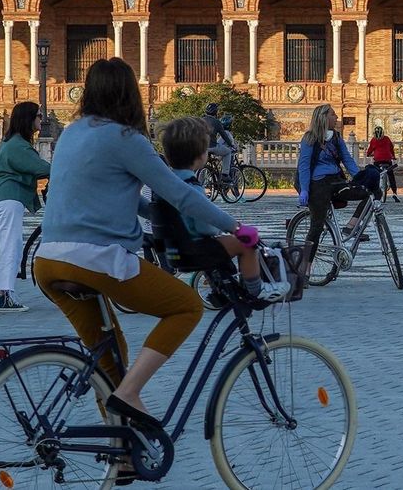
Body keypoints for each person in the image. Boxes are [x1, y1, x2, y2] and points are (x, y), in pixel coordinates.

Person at [34, 58, 246, 430]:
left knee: (109, 360)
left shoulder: (71, 132)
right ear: (129, 93)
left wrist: (154, 216)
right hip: (94, 258)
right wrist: (235, 225)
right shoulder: (126, 139)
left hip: (48, 260)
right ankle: (129, 395)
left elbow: (125, 198)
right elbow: (180, 193)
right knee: (186, 306)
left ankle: (125, 450)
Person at [160, 117, 289, 301]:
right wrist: (222, 229)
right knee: (246, 245)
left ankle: (219, 291)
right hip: (193, 249)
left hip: (173, 249)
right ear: (201, 155)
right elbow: (204, 226)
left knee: (221, 246)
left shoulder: (166, 182)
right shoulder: (191, 186)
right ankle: (257, 290)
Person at [0, 101, 50, 312]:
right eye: (38, 116)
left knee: (10, 245)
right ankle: (4, 296)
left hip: (4, 199)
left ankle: (4, 291)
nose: (42, 120)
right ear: (28, 119)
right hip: (8, 199)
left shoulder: (15, 142)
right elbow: (39, 167)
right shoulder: (17, 146)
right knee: (11, 246)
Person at [297, 104, 364, 258]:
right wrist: (305, 189)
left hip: (336, 181)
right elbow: (304, 166)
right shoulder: (309, 138)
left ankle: (351, 226)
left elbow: (347, 159)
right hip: (318, 184)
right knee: (317, 226)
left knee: (371, 192)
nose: (336, 118)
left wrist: (359, 177)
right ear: (323, 118)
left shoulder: (336, 137)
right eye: (333, 115)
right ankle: (304, 269)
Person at [203, 102, 236, 182]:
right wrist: (231, 145)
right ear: (215, 112)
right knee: (227, 152)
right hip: (212, 146)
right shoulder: (217, 122)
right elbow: (224, 136)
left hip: (201, 147)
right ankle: (225, 175)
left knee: (201, 166)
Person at [366, 126, 400, 203]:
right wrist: (393, 157)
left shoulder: (373, 140)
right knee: (391, 176)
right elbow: (391, 149)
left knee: (375, 175)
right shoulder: (387, 139)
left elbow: (369, 151)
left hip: (377, 160)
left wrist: (369, 154)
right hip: (388, 160)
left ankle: (374, 192)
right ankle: (394, 193)